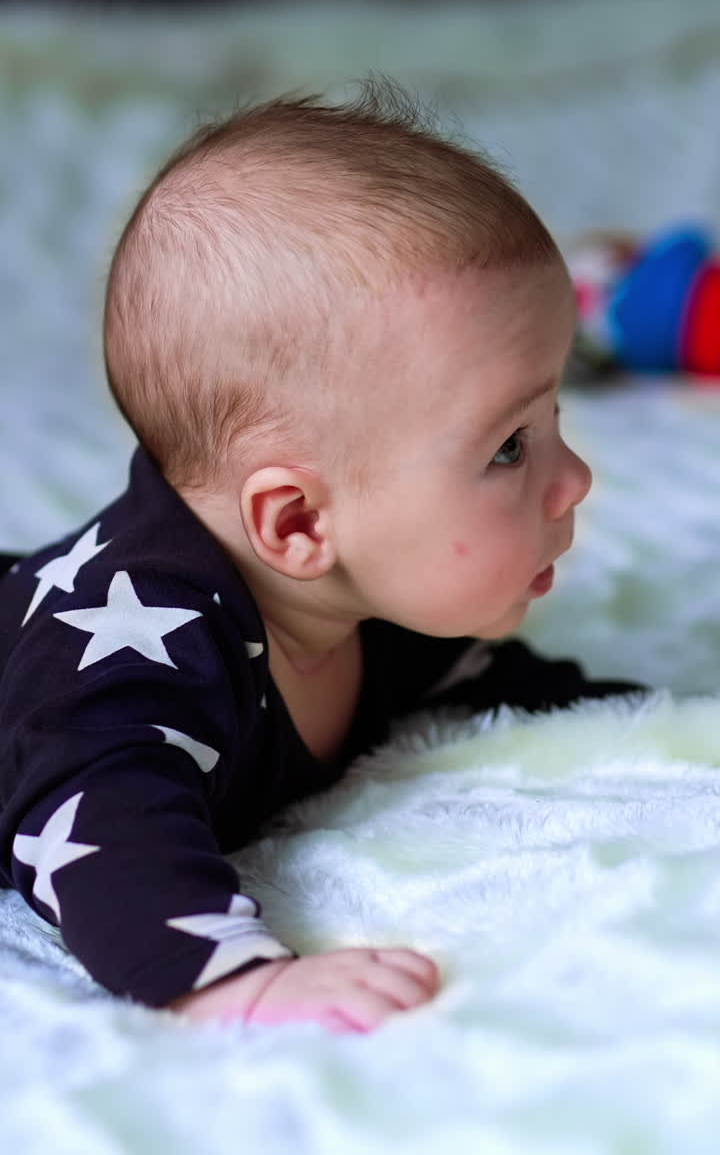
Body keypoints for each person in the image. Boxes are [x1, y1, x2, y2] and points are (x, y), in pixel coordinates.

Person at [0, 80, 642, 1034]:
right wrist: (231, 981)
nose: (575, 479)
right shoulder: (133, 659)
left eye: (552, 423)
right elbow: (97, 822)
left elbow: (508, 685)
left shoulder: (385, 609)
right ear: (297, 522)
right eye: (508, 446)